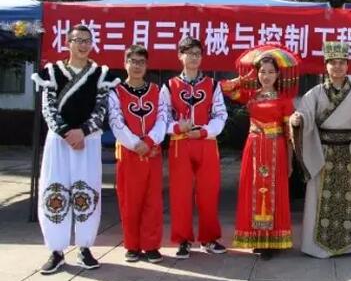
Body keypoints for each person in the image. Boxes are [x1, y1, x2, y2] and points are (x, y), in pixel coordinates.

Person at [31, 24, 119, 274]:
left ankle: (84, 247)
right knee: (54, 189)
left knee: (87, 190)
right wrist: (65, 132)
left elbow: (101, 108)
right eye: (78, 40)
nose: (83, 45)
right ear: (67, 43)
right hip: (59, 141)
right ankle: (56, 251)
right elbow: (48, 107)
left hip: (88, 140)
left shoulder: (100, 74)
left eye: (87, 40)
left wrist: (83, 131)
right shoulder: (51, 72)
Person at [290, 41, 351, 258]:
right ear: (326, 65)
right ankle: (317, 245)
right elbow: (305, 112)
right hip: (323, 153)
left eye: (342, 63)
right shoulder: (315, 93)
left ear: (347, 66)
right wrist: (298, 119)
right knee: (320, 197)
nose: (338, 67)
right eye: (333, 63)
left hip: (350, 152)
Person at [221, 46, 299, 260]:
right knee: (253, 191)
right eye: (262, 72)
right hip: (254, 147)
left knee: (273, 192)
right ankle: (257, 238)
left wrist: (290, 161)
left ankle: (272, 241)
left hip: (276, 148)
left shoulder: (284, 100)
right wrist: (242, 78)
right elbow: (224, 88)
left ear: (278, 75)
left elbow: (289, 134)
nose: (266, 76)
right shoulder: (250, 95)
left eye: (271, 72)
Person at [160, 37, 228, 259]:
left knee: (208, 192)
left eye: (197, 54)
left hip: (206, 143)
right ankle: (183, 239)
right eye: (189, 53)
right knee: (180, 194)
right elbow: (161, 118)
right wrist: (177, 127)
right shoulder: (169, 86)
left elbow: (221, 115)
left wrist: (204, 131)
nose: (194, 58)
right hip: (180, 144)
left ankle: (209, 238)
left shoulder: (213, 85)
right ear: (180, 55)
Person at [108, 45, 166, 263]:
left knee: (153, 201)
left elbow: (163, 118)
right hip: (128, 153)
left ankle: (151, 245)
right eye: (133, 61)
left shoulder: (157, 91)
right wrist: (135, 143)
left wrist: (149, 141)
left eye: (141, 62)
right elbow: (116, 122)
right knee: (129, 201)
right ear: (125, 63)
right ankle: (132, 245)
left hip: (152, 152)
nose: (137, 66)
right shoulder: (116, 92)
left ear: (147, 65)